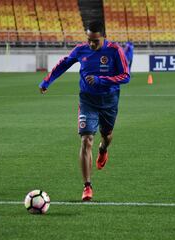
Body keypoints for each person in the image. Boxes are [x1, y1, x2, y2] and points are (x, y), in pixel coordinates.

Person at [38, 21, 130, 201]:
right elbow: (64, 63)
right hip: (87, 100)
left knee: (107, 135)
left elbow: (125, 76)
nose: (91, 44)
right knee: (86, 140)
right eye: (89, 40)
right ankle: (87, 186)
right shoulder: (81, 49)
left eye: (95, 41)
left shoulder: (114, 50)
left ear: (103, 36)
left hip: (109, 101)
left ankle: (103, 150)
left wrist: (101, 80)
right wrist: (47, 81)